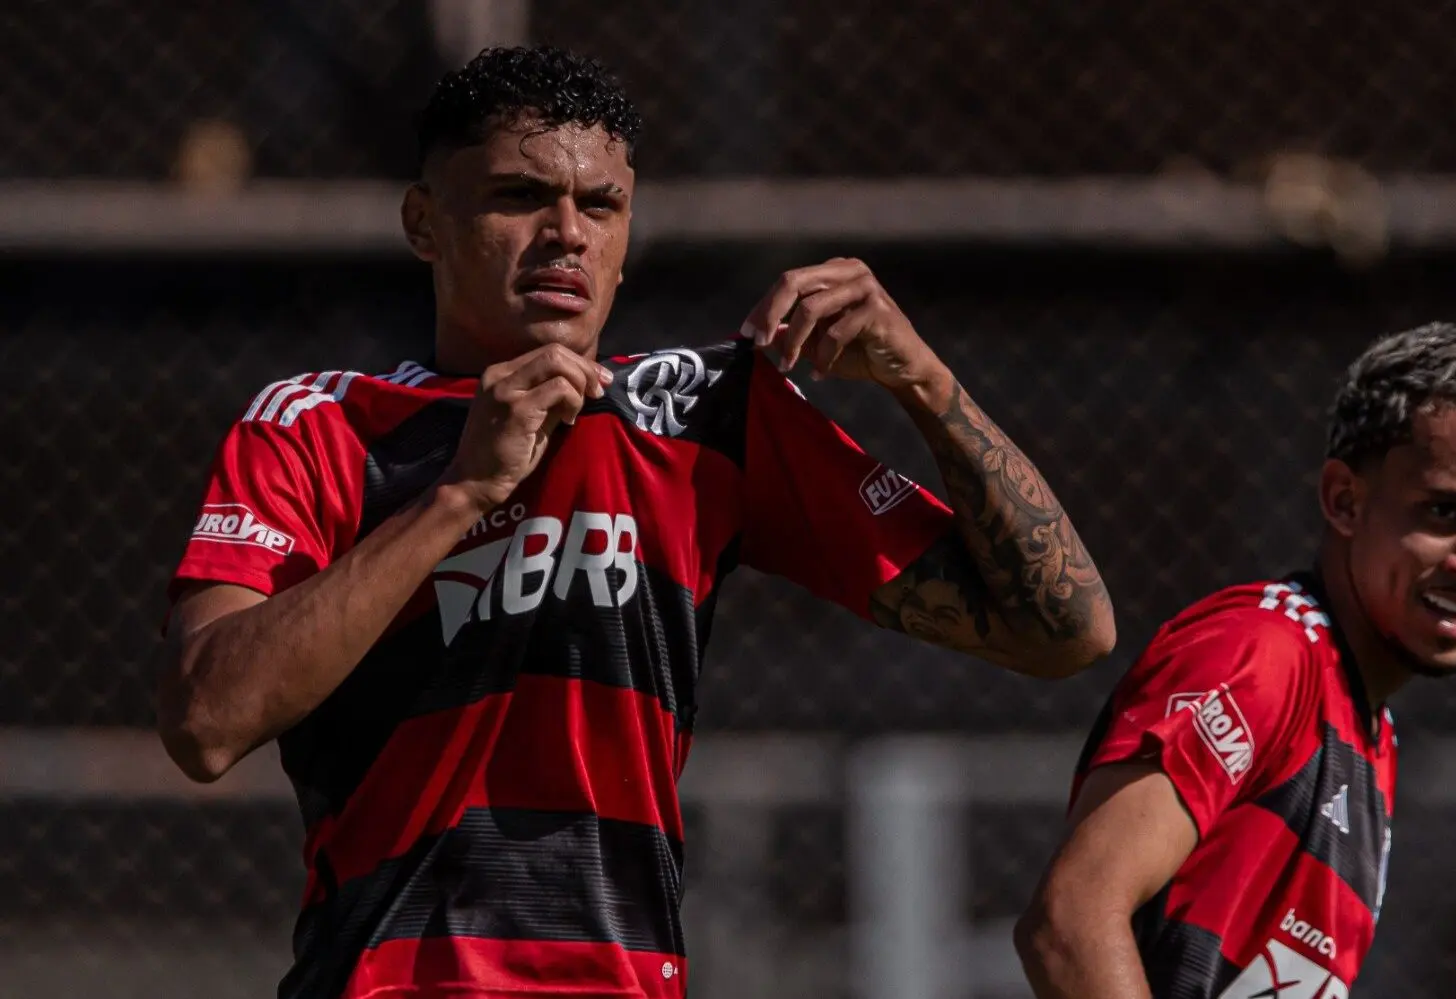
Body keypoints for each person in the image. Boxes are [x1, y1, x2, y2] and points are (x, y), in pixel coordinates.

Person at [156, 44, 1115, 999]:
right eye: (519, 197)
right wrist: (460, 494)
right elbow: (206, 723)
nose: (565, 233)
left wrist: (926, 382)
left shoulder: (705, 416)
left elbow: (1065, 631)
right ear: (424, 224)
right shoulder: (317, 425)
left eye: (600, 206)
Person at [1013, 324, 1456, 999]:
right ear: (1344, 500)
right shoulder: (1264, 652)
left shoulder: (1369, 728)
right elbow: (1070, 921)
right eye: (1444, 511)